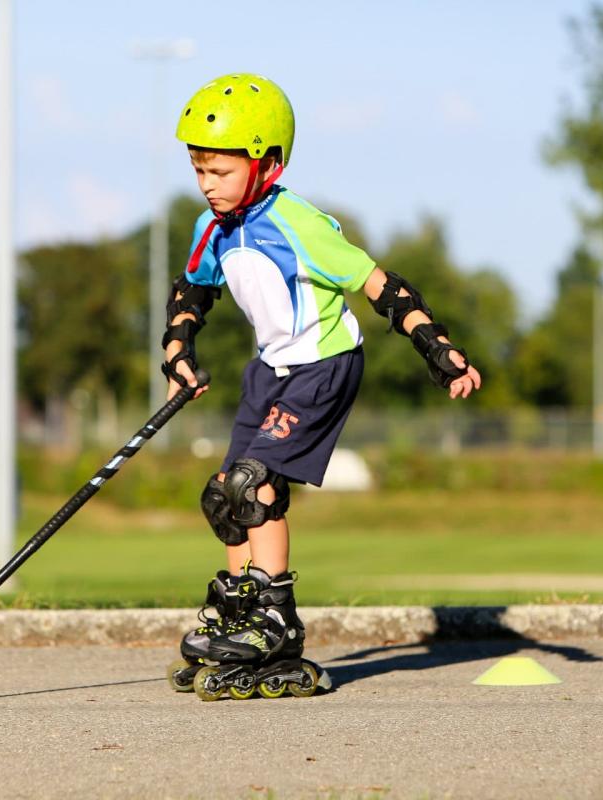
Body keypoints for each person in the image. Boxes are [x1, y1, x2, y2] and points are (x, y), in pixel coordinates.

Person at [161, 74, 482, 701]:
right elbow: (193, 290)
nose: (207, 184)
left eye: (219, 172)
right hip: (269, 369)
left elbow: (382, 286)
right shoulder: (213, 227)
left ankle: (274, 623)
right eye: (199, 170)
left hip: (324, 366)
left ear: (268, 164)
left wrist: (439, 350)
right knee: (226, 499)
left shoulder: (299, 224)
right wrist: (179, 351)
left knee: (256, 485)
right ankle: (240, 613)